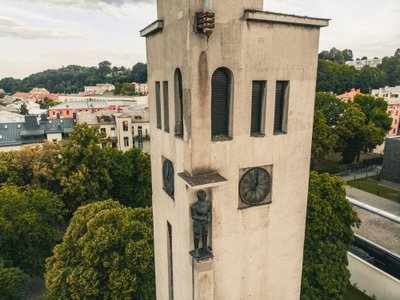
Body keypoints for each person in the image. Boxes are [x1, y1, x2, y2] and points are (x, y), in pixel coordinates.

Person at [191, 190, 212, 258]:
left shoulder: (208, 204)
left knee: (205, 234)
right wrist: (202, 218)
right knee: (197, 236)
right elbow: (193, 216)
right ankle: (196, 250)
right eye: (203, 196)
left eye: (205, 195)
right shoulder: (194, 206)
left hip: (205, 222)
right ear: (199, 197)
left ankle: (205, 247)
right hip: (197, 223)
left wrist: (208, 218)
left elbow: (209, 212)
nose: (205, 197)